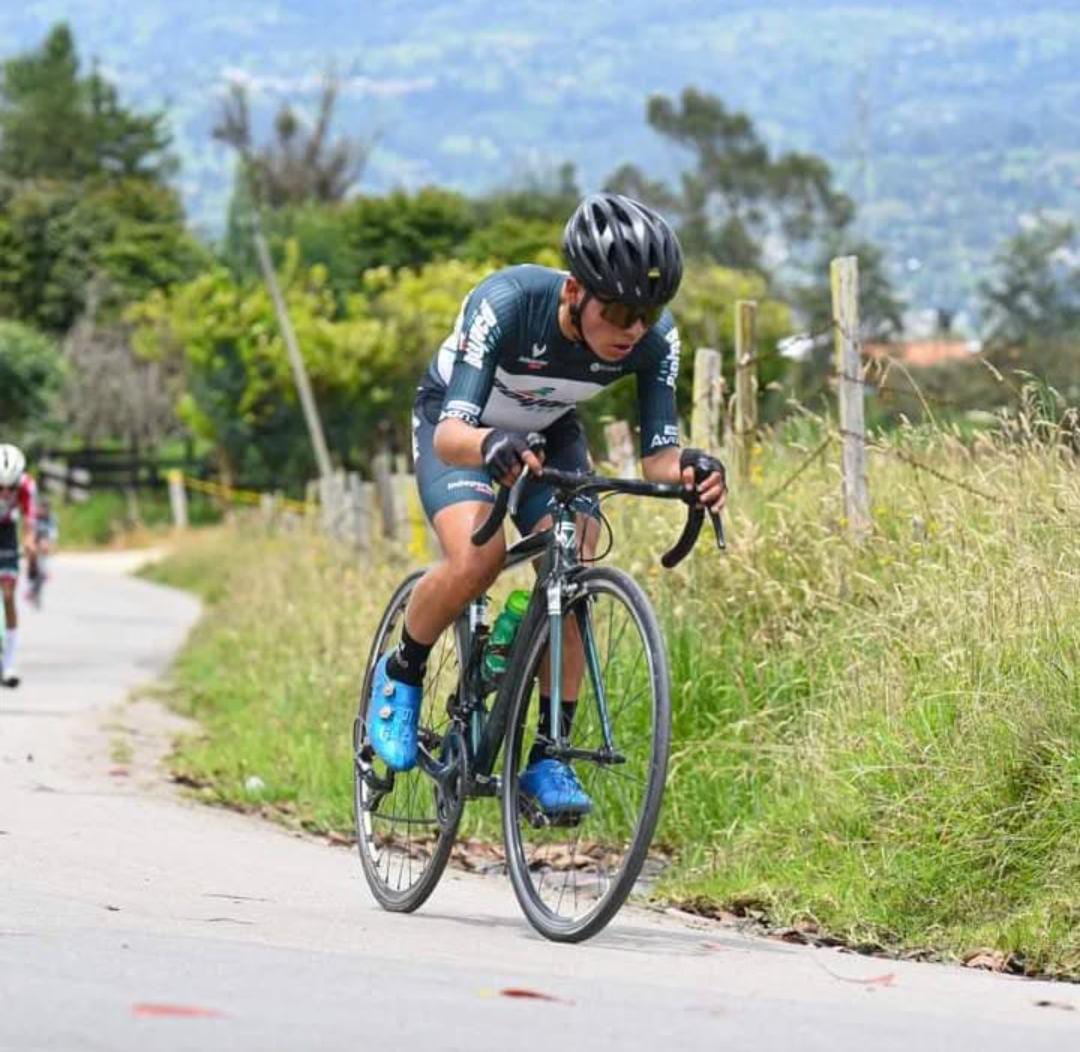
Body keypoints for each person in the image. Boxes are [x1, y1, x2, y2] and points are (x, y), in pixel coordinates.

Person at [367, 193, 727, 815]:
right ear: (573, 293)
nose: (633, 329)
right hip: (462, 427)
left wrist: (694, 468)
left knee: (573, 567)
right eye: (618, 312)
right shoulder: (507, 303)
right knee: (478, 560)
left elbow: (658, 460)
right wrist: (489, 442)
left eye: (647, 314)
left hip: (547, 432)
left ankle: (549, 752)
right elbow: (452, 436)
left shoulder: (655, 341)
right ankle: (402, 670)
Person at [0, 444, 37, 687]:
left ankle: (9, 664)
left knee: (8, 595)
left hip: (7, 533)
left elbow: (29, 518)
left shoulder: (26, 485)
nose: (5, 492)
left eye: (10, 487)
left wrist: (29, 541)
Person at [26, 494, 58, 608]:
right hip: (33, 541)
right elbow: (30, 533)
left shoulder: (52, 518)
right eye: (41, 507)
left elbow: (53, 534)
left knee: (42, 572)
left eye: (45, 508)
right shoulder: (33, 517)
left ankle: (35, 590)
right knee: (32, 564)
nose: (43, 510)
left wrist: (50, 545)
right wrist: (31, 545)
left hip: (44, 543)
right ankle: (31, 585)